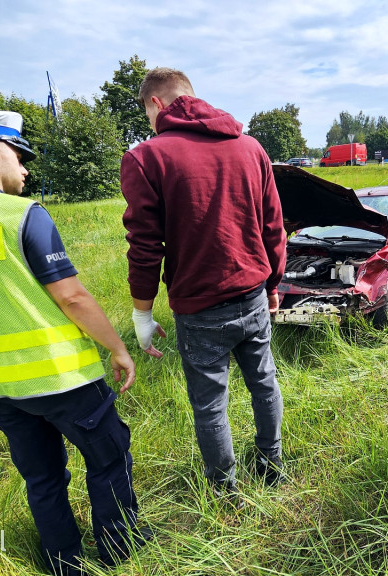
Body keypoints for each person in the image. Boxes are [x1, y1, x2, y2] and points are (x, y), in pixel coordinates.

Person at [0, 110, 149, 575]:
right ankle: (120, 550)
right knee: (109, 456)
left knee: (42, 477)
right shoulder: (22, 214)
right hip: (58, 374)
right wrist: (118, 348)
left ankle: (63, 562)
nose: (24, 168)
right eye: (18, 154)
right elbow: (71, 295)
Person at [121, 67, 287, 500]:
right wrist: (273, 285)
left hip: (198, 307)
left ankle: (225, 492)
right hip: (252, 293)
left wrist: (142, 312)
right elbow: (274, 227)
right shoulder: (250, 148)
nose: (149, 124)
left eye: (146, 113)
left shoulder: (146, 157)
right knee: (264, 382)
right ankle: (272, 466)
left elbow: (144, 246)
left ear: (156, 103)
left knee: (210, 401)